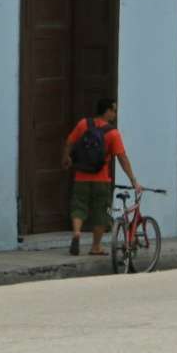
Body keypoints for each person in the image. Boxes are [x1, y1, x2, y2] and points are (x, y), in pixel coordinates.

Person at [64, 97, 143, 256]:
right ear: (106, 111)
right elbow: (122, 158)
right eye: (113, 110)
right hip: (101, 179)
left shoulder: (83, 124)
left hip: (81, 176)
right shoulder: (113, 133)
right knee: (101, 213)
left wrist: (66, 157)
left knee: (79, 207)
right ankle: (96, 247)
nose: (115, 114)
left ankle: (77, 233)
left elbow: (70, 141)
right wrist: (133, 180)